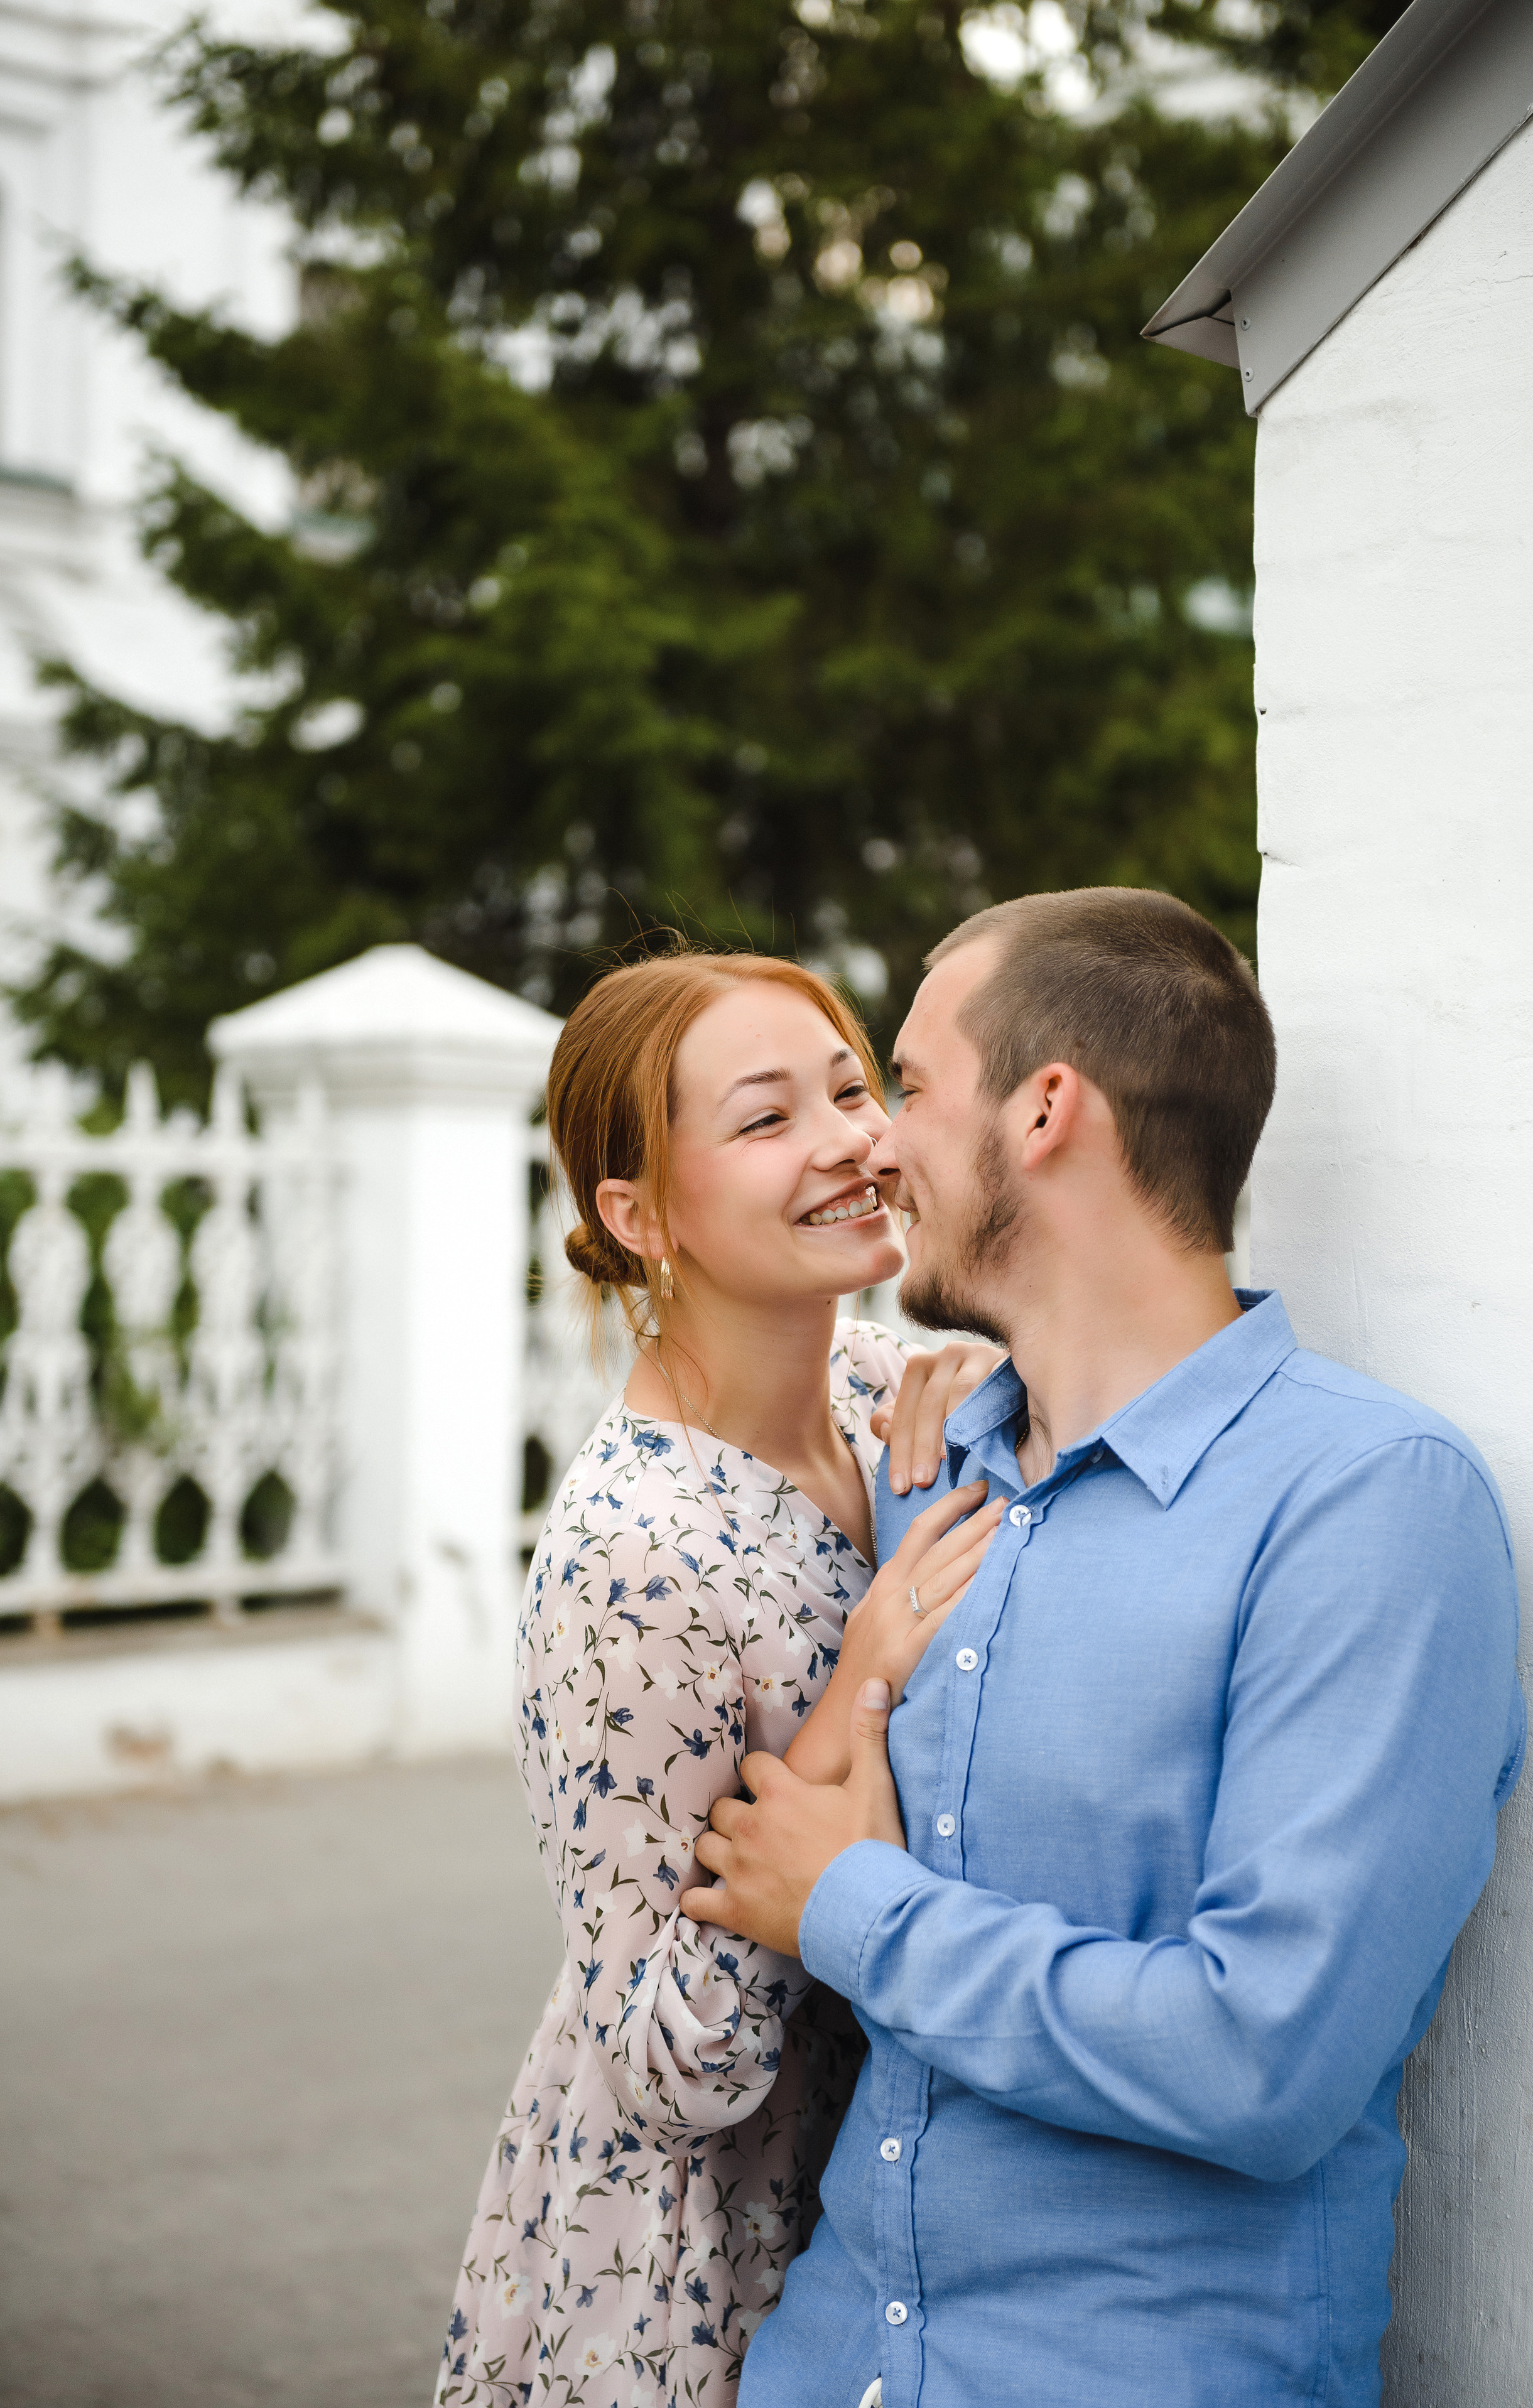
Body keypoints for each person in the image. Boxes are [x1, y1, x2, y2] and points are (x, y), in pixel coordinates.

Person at [685, 888, 1527, 2408]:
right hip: (825, 2369)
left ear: (1047, 1107)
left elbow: (1261, 2057)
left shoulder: (1362, 1506)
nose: (878, 1141)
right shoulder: (930, 1466)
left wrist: (853, 1907)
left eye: (914, 1086)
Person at [436, 948, 1002, 2408]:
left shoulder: (890, 1391)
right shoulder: (629, 1560)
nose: (849, 1142)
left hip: (893, 2215)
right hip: (690, 2277)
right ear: (634, 1213)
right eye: (764, 1121)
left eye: (852, 1088)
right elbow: (667, 2066)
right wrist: (852, 1687)